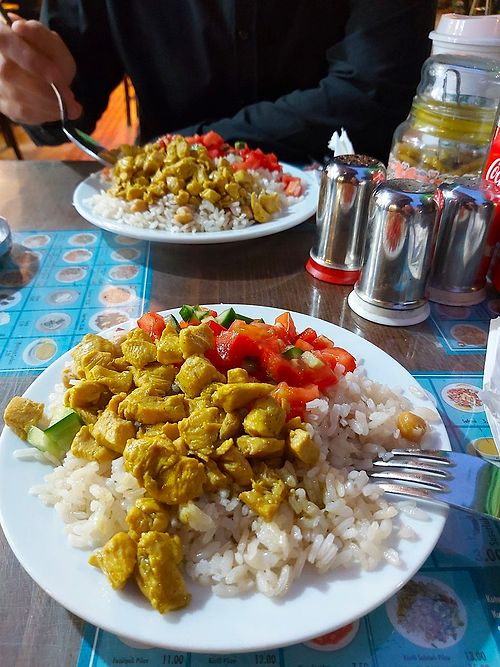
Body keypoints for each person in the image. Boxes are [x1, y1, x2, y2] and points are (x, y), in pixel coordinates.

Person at [0, 1, 437, 163]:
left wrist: (179, 147)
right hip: (157, 220)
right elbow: (71, 108)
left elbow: (375, 94)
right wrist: (36, 93)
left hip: (342, 212)